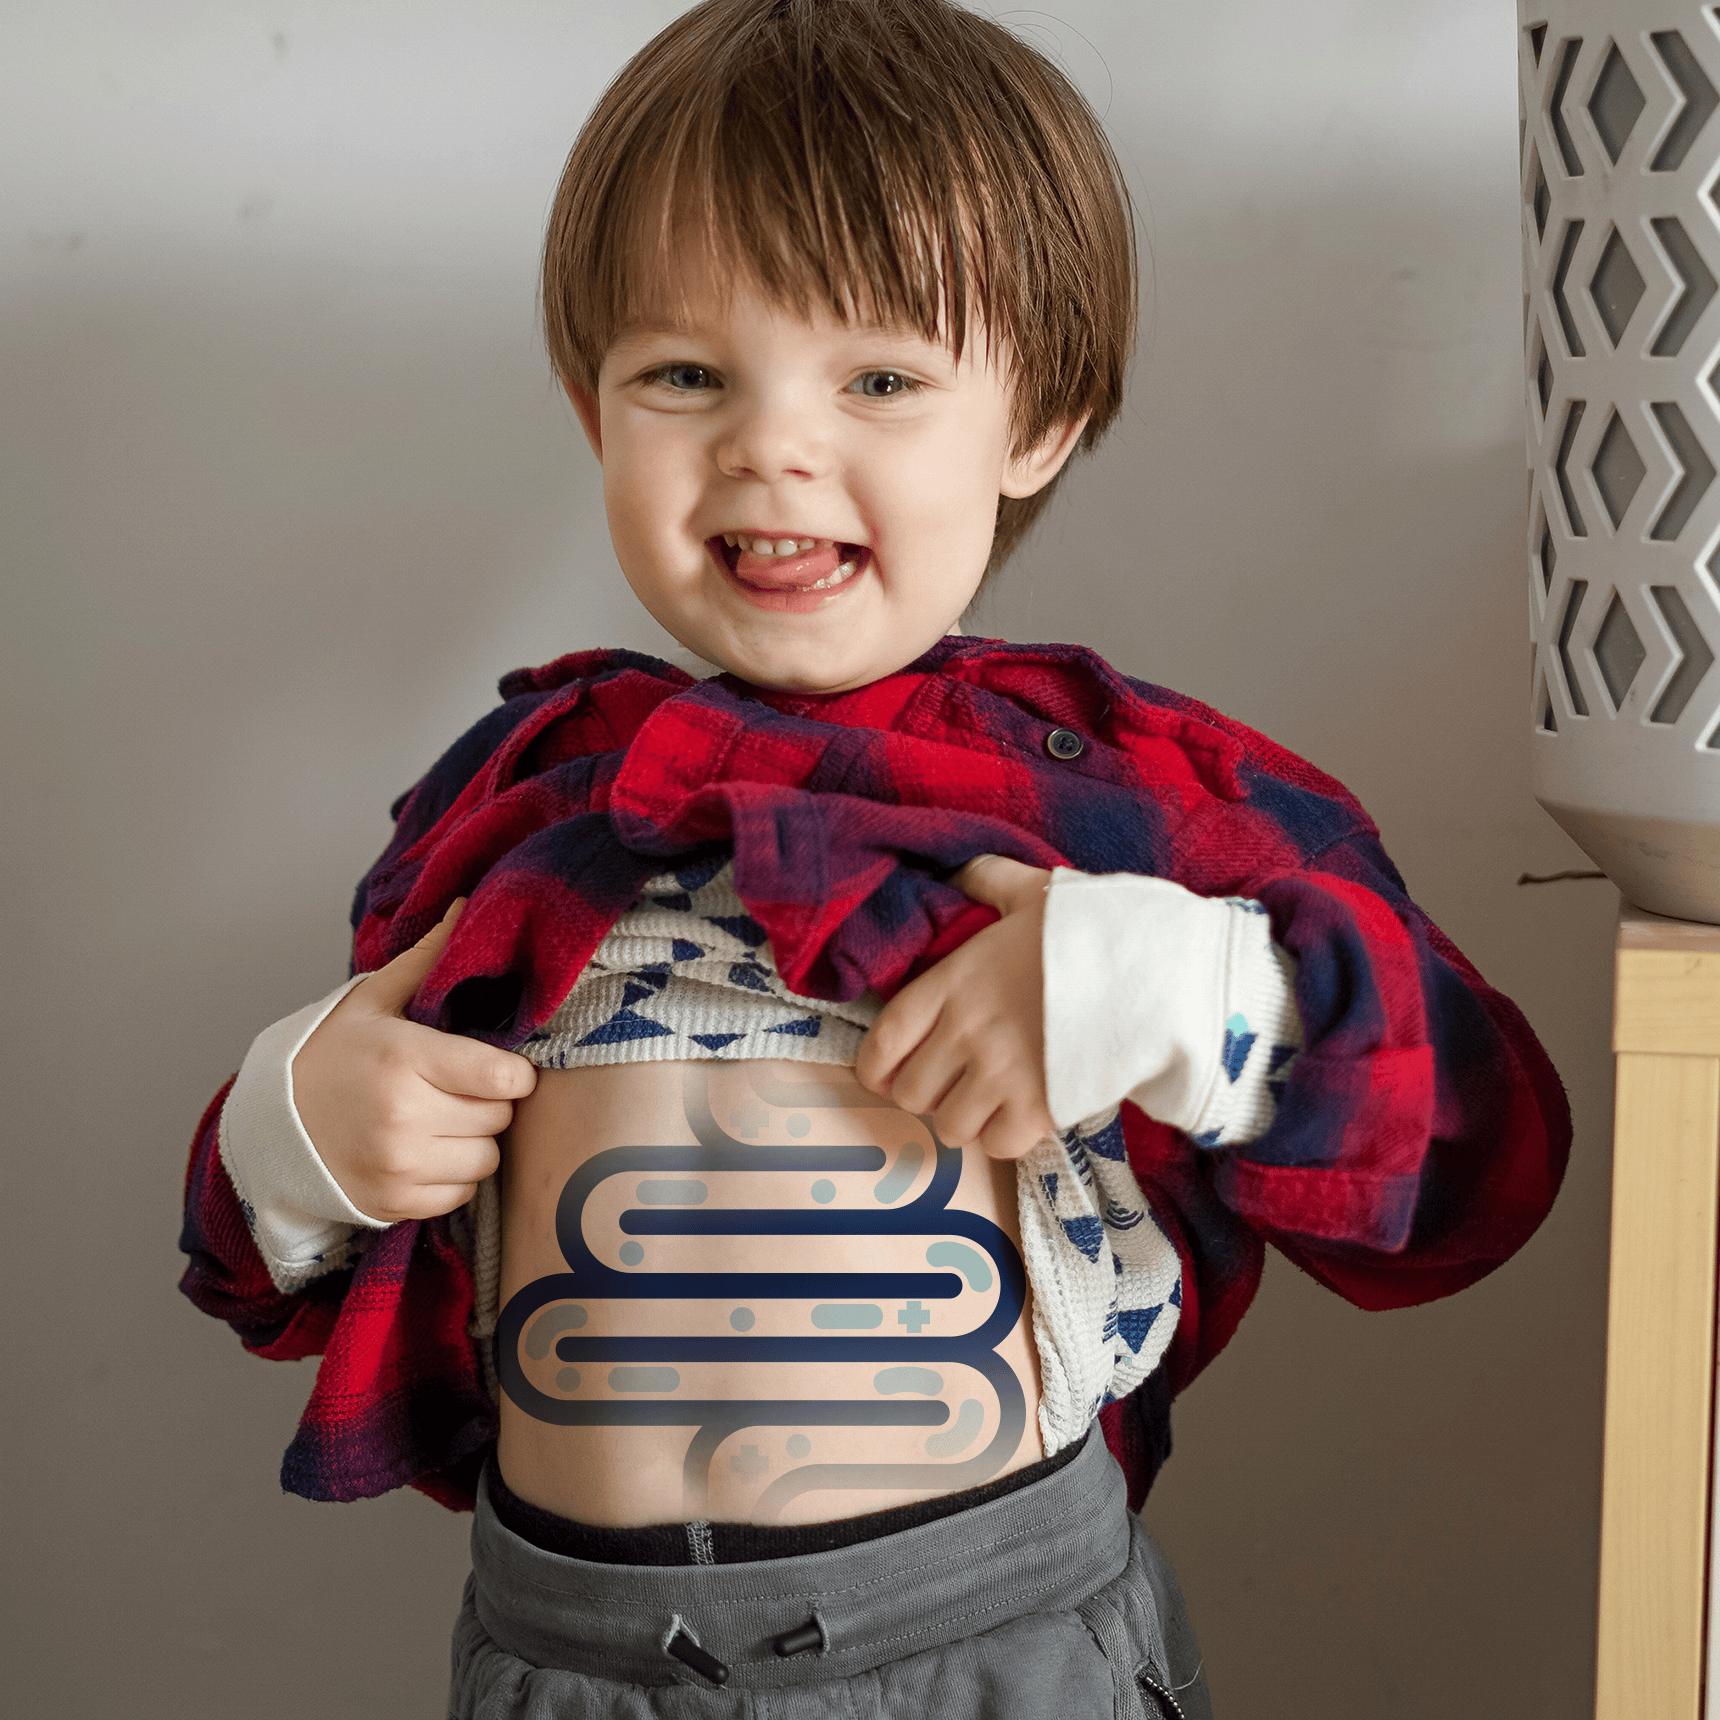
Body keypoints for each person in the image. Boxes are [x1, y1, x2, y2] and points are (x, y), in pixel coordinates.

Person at [178, 2, 1571, 1714]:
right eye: (685, 376)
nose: (770, 445)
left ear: (1036, 418)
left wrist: (1178, 994)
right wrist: (296, 1131)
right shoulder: (516, 800)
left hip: (988, 1642)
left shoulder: (1144, 797)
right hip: (564, 1654)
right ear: (593, 408)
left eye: (884, 380)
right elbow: (264, 1263)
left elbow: (1475, 1169)